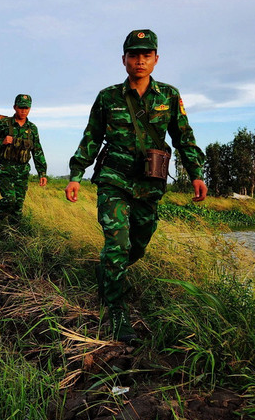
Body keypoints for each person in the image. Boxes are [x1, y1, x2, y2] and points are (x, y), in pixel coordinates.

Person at [64, 29, 208, 343]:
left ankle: (108, 273)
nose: (139, 61)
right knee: (116, 246)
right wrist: (76, 175)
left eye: (146, 55)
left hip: (149, 183)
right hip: (113, 180)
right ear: (124, 59)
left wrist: (196, 173)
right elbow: (91, 137)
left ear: (156, 59)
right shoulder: (108, 97)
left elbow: (184, 137)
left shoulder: (168, 96)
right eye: (133, 55)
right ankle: (116, 311)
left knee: (138, 245)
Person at [0, 94, 48, 228]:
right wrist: (1, 142)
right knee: (9, 199)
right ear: (15, 107)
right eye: (21, 107)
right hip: (5, 168)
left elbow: (37, 150)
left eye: (27, 108)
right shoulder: (4, 123)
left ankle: (14, 234)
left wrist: (42, 172)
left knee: (18, 205)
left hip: (22, 171)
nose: (24, 111)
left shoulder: (32, 129)